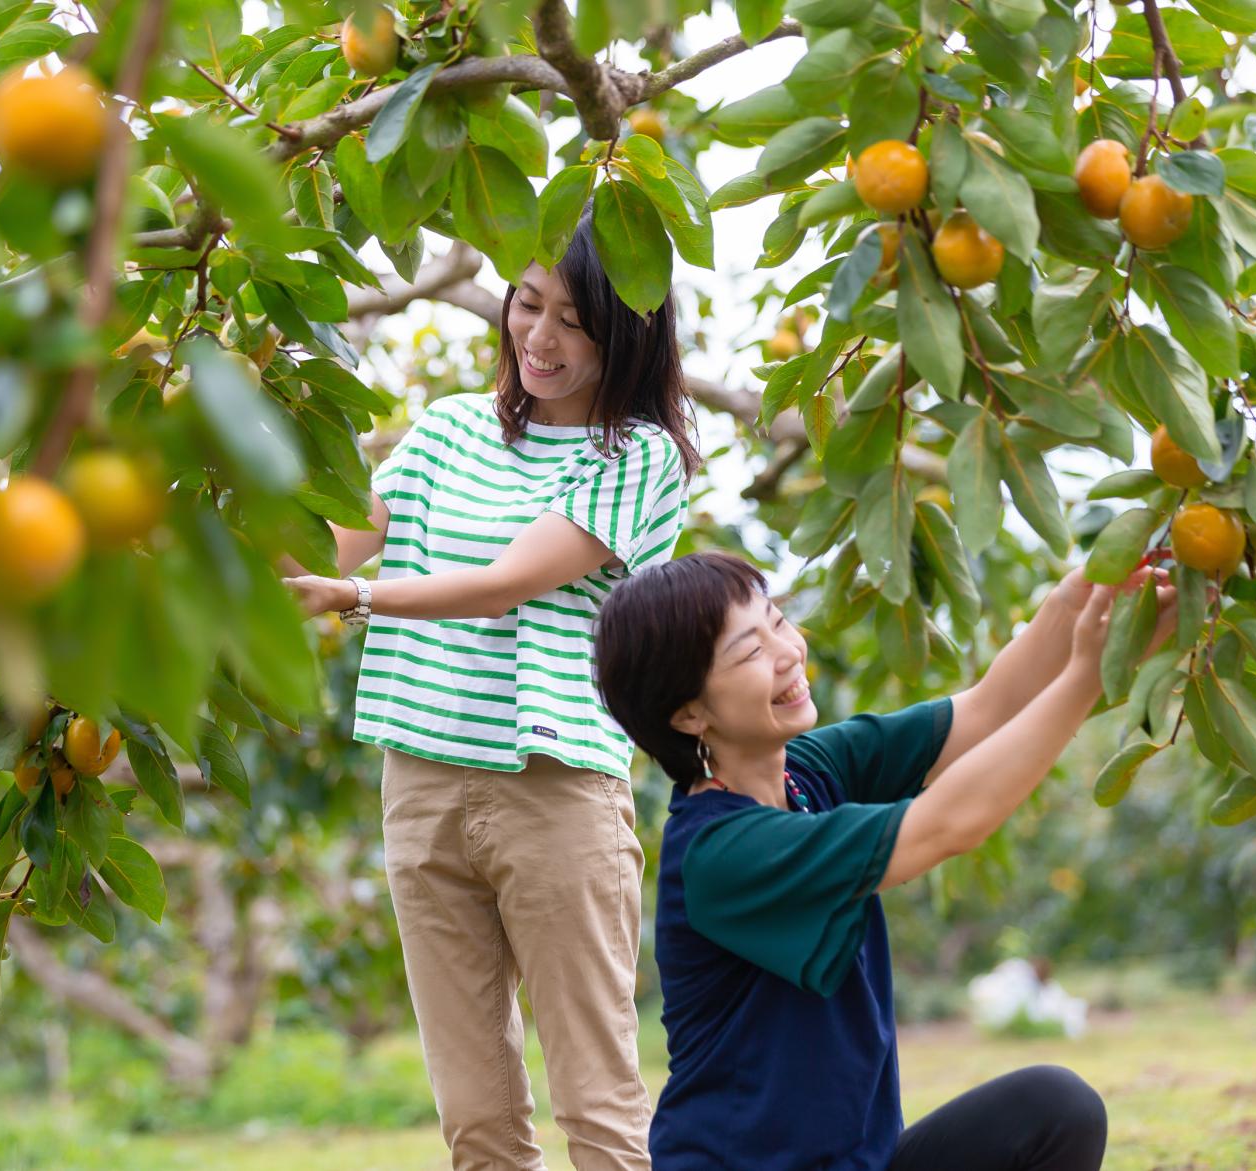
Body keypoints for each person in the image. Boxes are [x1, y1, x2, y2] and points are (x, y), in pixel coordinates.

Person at [283, 210, 699, 1171]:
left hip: (552, 789)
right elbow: (328, 545)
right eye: (527, 304)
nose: (540, 338)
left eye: (573, 319)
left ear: (626, 329)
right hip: (421, 784)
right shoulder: (446, 431)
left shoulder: (638, 459)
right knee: (474, 1120)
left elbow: (512, 577)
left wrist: (355, 597)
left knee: (597, 1104)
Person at [593, 550, 1177, 1171]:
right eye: (750, 651)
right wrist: (1086, 675)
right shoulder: (723, 854)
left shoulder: (810, 774)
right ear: (689, 713)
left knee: (1056, 1109)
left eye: (777, 622)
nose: (789, 651)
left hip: (863, 1161)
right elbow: (947, 825)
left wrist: (1077, 598)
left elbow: (985, 711)